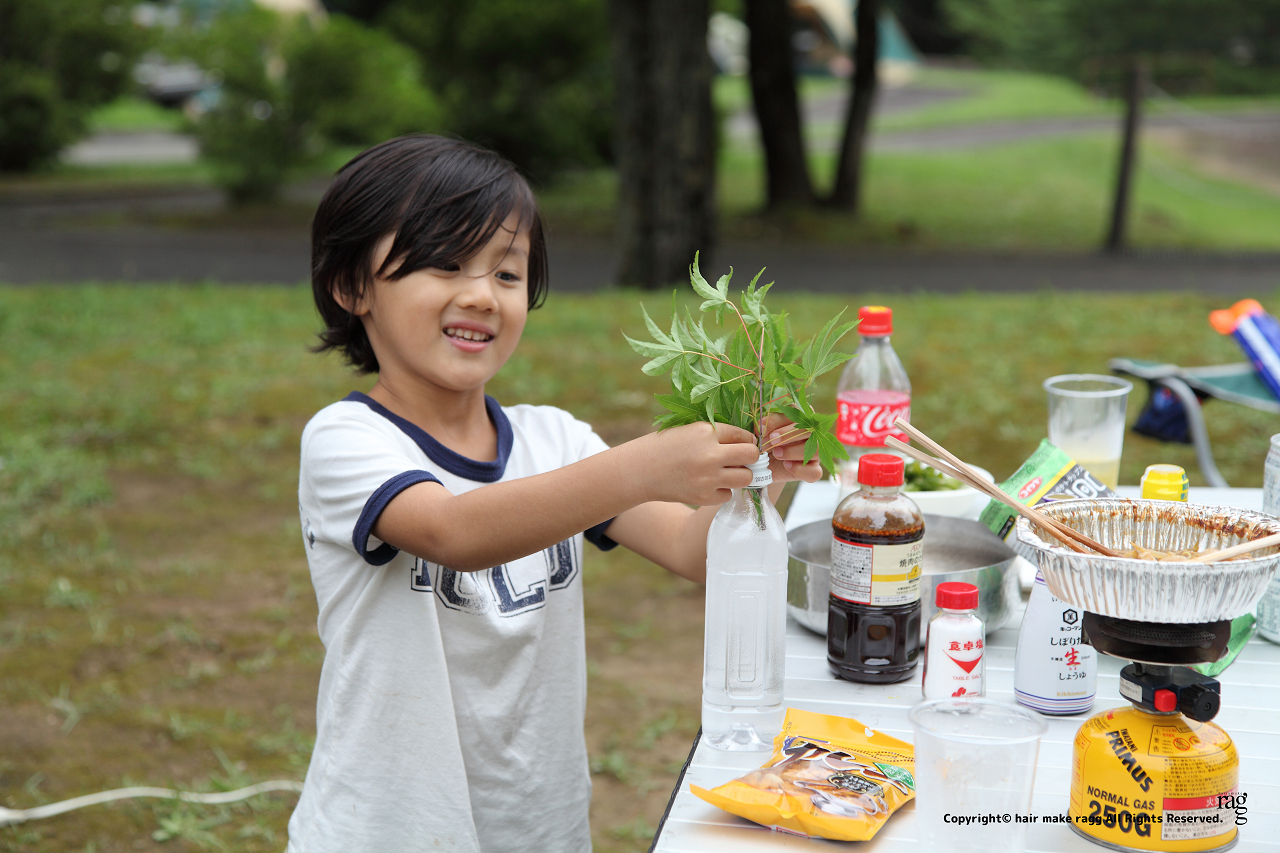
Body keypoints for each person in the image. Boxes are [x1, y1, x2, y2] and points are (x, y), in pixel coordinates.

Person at [287, 134, 821, 853]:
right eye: (446, 263)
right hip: (391, 829)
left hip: (540, 823)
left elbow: (691, 550)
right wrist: (642, 466)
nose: (482, 294)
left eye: (507, 273)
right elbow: (451, 532)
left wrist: (760, 472)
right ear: (352, 286)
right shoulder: (346, 439)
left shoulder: (556, 440)